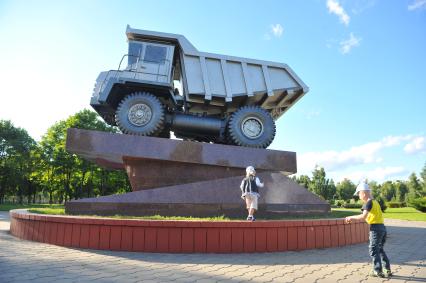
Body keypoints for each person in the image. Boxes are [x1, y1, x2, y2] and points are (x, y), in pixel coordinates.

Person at [345, 182, 392, 278]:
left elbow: (363, 216)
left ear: (364, 193)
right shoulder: (375, 202)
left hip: (375, 229)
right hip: (382, 228)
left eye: (359, 193)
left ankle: (377, 270)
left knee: (374, 250)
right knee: (380, 249)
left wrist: (350, 217)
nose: (358, 196)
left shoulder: (368, 203)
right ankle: (387, 269)